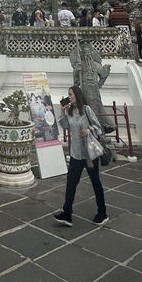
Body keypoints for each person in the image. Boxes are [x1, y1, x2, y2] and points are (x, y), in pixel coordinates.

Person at [54, 86, 107, 226]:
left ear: (77, 95)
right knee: (71, 184)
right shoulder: (71, 111)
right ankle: (67, 213)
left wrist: (88, 130)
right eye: (68, 95)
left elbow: (99, 128)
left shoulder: (87, 110)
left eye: (71, 94)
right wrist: (62, 111)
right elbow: (65, 126)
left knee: (96, 183)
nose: (69, 97)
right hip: (76, 154)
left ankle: (102, 213)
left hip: (89, 154)